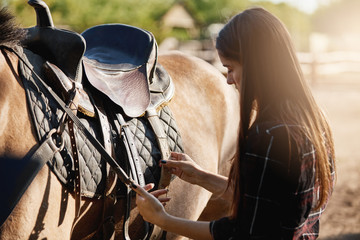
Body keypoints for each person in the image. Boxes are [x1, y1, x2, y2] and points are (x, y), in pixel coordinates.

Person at [131, 7, 335, 240]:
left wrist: (162, 219)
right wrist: (201, 177)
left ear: (257, 65)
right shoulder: (315, 120)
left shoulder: (268, 136)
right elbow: (271, 201)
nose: (228, 80)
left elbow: (241, 233)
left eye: (230, 68)